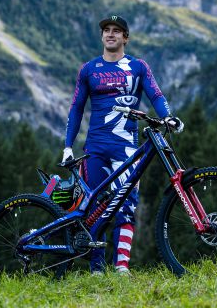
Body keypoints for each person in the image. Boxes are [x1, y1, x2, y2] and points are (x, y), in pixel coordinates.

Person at [63, 14, 183, 274]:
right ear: (101, 36)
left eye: (116, 30)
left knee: (126, 205)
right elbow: (76, 108)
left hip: (126, 149)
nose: (110, 34)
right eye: (106, 29)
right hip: (95, 149)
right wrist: (67, 146)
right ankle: (96, 269)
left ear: (125, 38)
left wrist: (167, 117)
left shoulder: (138, 67)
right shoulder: (88, 69)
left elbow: (156, 95)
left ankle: (121, 267)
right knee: (95, 208)